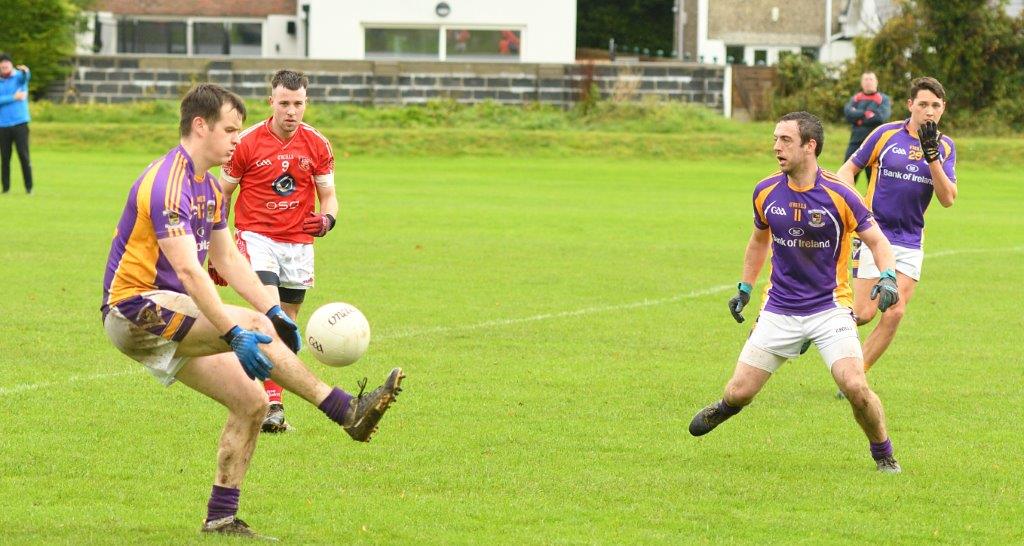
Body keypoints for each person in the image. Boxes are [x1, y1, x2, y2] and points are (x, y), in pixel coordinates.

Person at [101, 83, 404, 538]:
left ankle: (221, 517)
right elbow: (189, 269)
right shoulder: (169, 183)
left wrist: (274, 310)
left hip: (170, 310)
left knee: (252, 401)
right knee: (250, 324)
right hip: (135, 309)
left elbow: (226, 260)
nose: (237, 140)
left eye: (240, 131)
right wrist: (239, 330)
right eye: (230, 130)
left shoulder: (209, 188)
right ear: (200, 126)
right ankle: (345, 410)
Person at [688, 111, 904, 474]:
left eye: (785, 140)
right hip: (779, 309)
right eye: (775, 139)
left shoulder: (841, 194)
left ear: (810, 146)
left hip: (829, 308)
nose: (776, 147)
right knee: (739, 393)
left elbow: (878, 241)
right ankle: (725, 406)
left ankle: (884, 453)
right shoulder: (766, 191)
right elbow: (758, 241)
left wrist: (887, 276)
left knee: (855, 385)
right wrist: (744, 287)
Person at [212, 69, 339, 433]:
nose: (291, 111)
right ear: (271, 102)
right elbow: (222, 194)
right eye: (284, 103)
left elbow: (328, 195)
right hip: (256, 237)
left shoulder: (317, 144)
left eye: (298, 104)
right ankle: (270, 404)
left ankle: (268, 400)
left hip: (298, 244)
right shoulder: (247, 142)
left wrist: (328, 219)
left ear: (306, 103)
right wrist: (218, 252)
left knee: (288, 326)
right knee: (272, 318)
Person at [836, 76, 957, 376]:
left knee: (895, 310)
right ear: (910, 105)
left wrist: (933, 159)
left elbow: (947, 199)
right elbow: (847, 170)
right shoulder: (885, 134)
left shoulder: (946, 147)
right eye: (923, 104)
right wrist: (855, 208)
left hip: (911, 240)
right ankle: (818, 325)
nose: (929, 111)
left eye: (935, 106)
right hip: (874, 235)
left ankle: (854, 377)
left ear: (943, 109)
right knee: (862, 313)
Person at [843, 71, 891, 185]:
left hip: (875, 143)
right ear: (861, 83)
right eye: (866, 79)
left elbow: (880, 117)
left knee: (874, 180)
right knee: (846, 176)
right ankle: (845, 202)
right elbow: (848, 114)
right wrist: (867, 114)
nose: (868, 82)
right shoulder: (856, 98)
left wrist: (858, 117)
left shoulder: (883, 99)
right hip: (855, 142)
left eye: (871, 79)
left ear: (876, 82)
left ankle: (871, 203)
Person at [0, 53, 32, 194]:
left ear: (11, 66)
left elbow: (25, 77)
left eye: (7, 65)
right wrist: (13, 97)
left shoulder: (18, 78)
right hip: (3, 125)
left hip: (20, 123)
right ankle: (6, 188)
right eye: (2, 66)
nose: (5, 68)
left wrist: (26, 71)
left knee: (23, 156)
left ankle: (29, 187)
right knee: (5, 158)